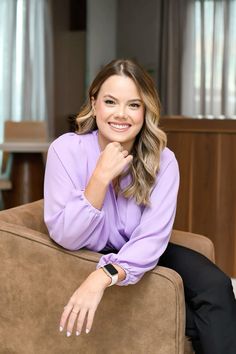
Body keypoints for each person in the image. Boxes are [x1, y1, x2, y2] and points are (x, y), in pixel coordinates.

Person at [44, 59, 236, 354]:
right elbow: (66, 236)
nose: (121, 114)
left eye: (133, 105)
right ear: (94, 104)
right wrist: (99, 178)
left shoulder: (163, 159)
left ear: (145, 111)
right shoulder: (65, 150)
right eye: (110, 102)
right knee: (194, 314)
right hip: (83, 252)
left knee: (216, 285)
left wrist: (104, 275)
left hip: (137, 250)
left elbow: (152, 238)